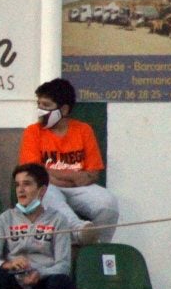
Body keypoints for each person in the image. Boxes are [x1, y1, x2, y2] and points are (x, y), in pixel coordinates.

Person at [18, 78, 117, 244]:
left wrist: (54, 175)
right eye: (39, 104)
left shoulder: (83, 130)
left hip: (80, 189)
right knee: (43, 191)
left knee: (108, 203)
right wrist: (73, 177)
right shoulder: (32, 132)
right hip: (49, 188)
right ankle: (80, 232)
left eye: (46, 106)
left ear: (63, 109)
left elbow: (92, 174)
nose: (40, 110)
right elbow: (35, 174)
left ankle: (97, 247)